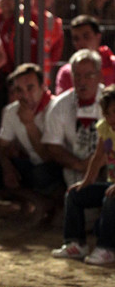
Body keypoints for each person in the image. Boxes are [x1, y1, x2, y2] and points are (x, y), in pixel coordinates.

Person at [52, 84, 115, 264]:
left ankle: (107, 248)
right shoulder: (105, 127)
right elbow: (98, 157)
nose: (112, 117)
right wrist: (87, 181)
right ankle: (76, 244)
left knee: (110, 198)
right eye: (108, 113)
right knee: (74, 194)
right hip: (111, 185)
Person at [0, 63, 62, 213]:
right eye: (19, 90)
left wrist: (29, 124)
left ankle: (45, 203)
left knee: (43, 173)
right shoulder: (11, 111)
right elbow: (1, 147)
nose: (25, 95)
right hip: (29, 165)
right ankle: (38, 201)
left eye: (30, 88)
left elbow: (47, 157)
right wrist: (7, 168)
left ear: (42, 86)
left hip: (53, 166)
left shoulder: (56, 108)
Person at [43, 49, 104, 188]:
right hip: (72, 167)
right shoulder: (59, 105)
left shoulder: (111, 101)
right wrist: (79, 165)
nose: (82, 81)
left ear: (99, 76)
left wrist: (96, 163)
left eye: (88, 75)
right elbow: (52, 146)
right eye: (77, 75)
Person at [55, 14, 115, 93]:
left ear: (98, 37)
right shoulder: (66, 72)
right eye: (76, 39)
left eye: (86, 36)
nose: (81, 43)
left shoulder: (112, 65)